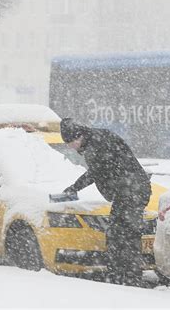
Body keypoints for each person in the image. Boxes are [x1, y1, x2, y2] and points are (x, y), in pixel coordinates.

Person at [60, 118, 151, 287]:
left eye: (70, 142)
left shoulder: (95, 145)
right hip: (131, 190)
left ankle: (126, 278)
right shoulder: (98, 137)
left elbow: (95, 172)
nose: (70, 147)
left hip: (131, 192)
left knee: (122, 235)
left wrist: (74, 188)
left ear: (78, 136)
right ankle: (124, 275)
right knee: (121, 234)